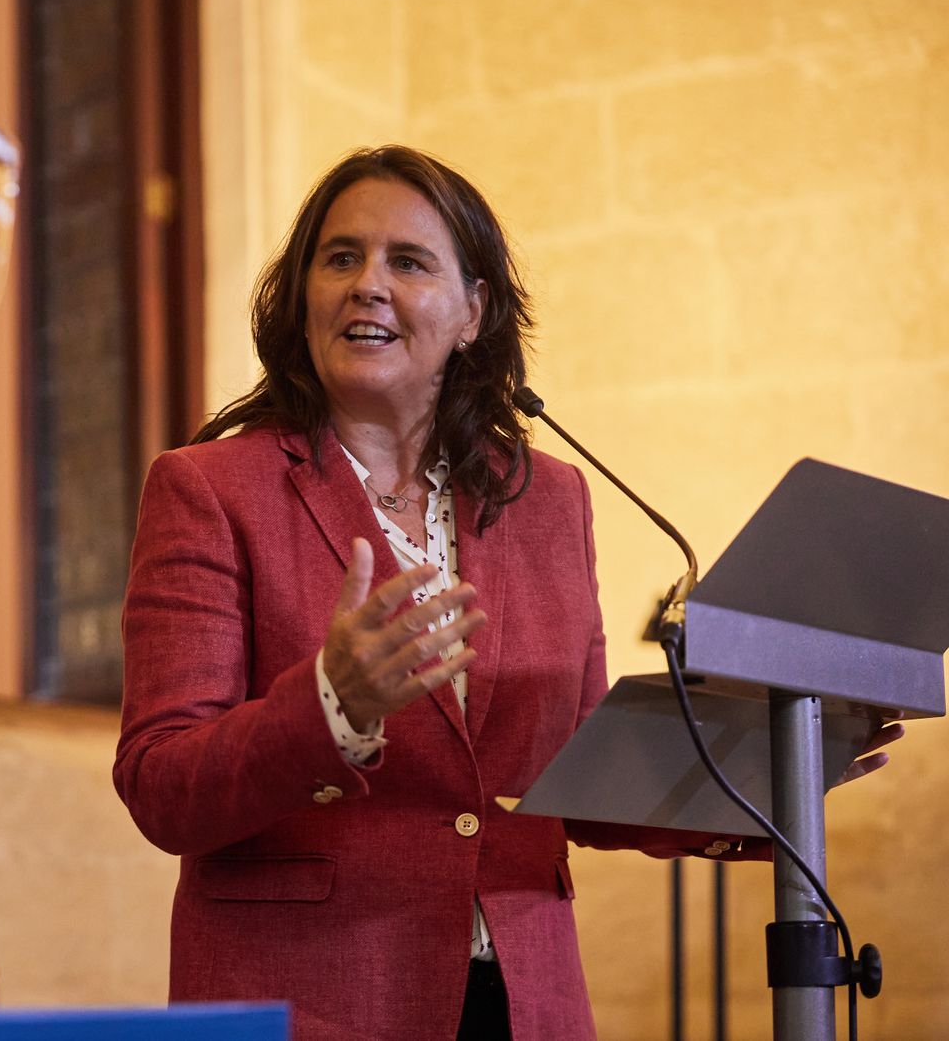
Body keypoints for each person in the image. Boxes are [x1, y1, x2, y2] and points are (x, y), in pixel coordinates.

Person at [112, 146, 895, 1040]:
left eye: (408, 262)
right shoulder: (210, 490)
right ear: (303, 297)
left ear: (473, 313)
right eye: (341, 258)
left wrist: (767, 772)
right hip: (317, 997)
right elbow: (161, 783)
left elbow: (576, 766)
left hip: (527, 999)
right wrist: (332, 703)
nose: (368, 284)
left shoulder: (549, 498)